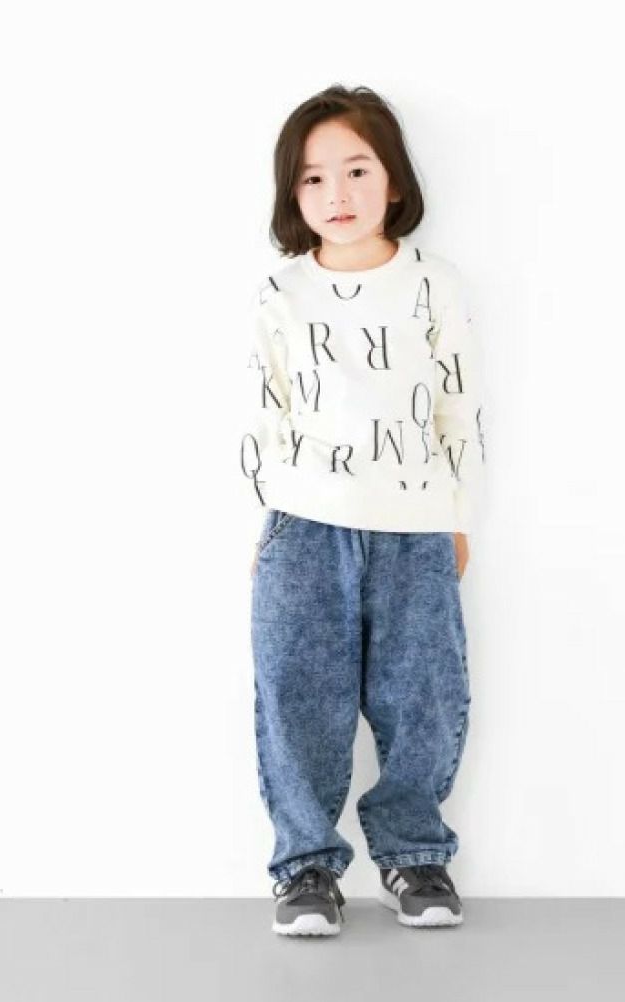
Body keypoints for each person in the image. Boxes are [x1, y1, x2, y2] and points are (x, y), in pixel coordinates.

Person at [239, 83, 487, 937]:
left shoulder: (434, 286)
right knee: (298, 697)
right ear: (292, 193)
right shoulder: (282, 293)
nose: (336, 194)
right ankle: (305, 866)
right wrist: (267, 519)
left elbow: (458, 407)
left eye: (356, 170)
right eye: (312, 178)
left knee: (424, 696)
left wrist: (457, 518)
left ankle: (414, 854)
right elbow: (264, 411)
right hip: (304, 523)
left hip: (415, 527)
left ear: (393, 181)